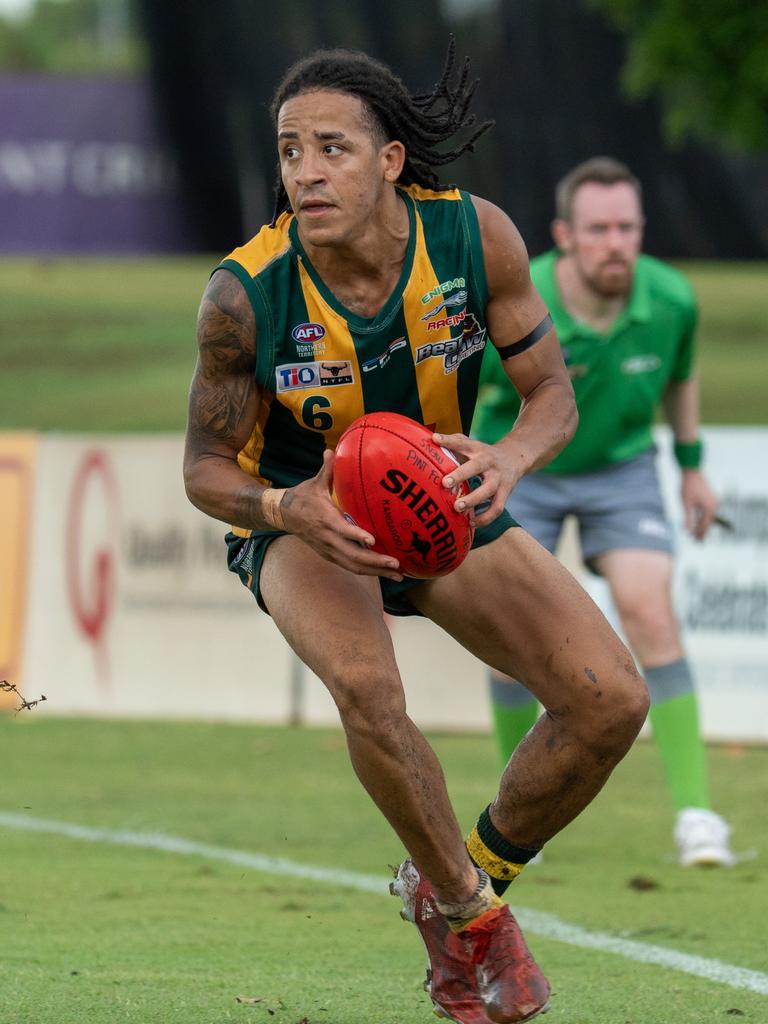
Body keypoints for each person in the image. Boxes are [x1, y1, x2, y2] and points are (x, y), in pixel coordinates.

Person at [183, 47, 648, 1024]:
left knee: (610, 702)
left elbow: (552, 395)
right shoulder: (246, 294)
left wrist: (511, 460)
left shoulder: (477, 239)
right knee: (367, 687)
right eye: (289, 151)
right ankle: (480, 927)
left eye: (331, 149)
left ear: (393, 159)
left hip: (441, 497)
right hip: (307, 515)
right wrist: (285, 510)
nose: (305, 171)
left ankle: (448, 881)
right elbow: (203, 470)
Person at [474, 156, 735, 870]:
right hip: (523, 465)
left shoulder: (673, 298)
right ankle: (515, 809)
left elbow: (680, 377)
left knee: (650, 612)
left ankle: (697, 815)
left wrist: (690, 468)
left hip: (622, 469)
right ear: (565, 234)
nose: (615, 242)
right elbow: (465, 396)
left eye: (627, 226)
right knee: (511, 638)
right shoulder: (518, 298)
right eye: (598, 229)